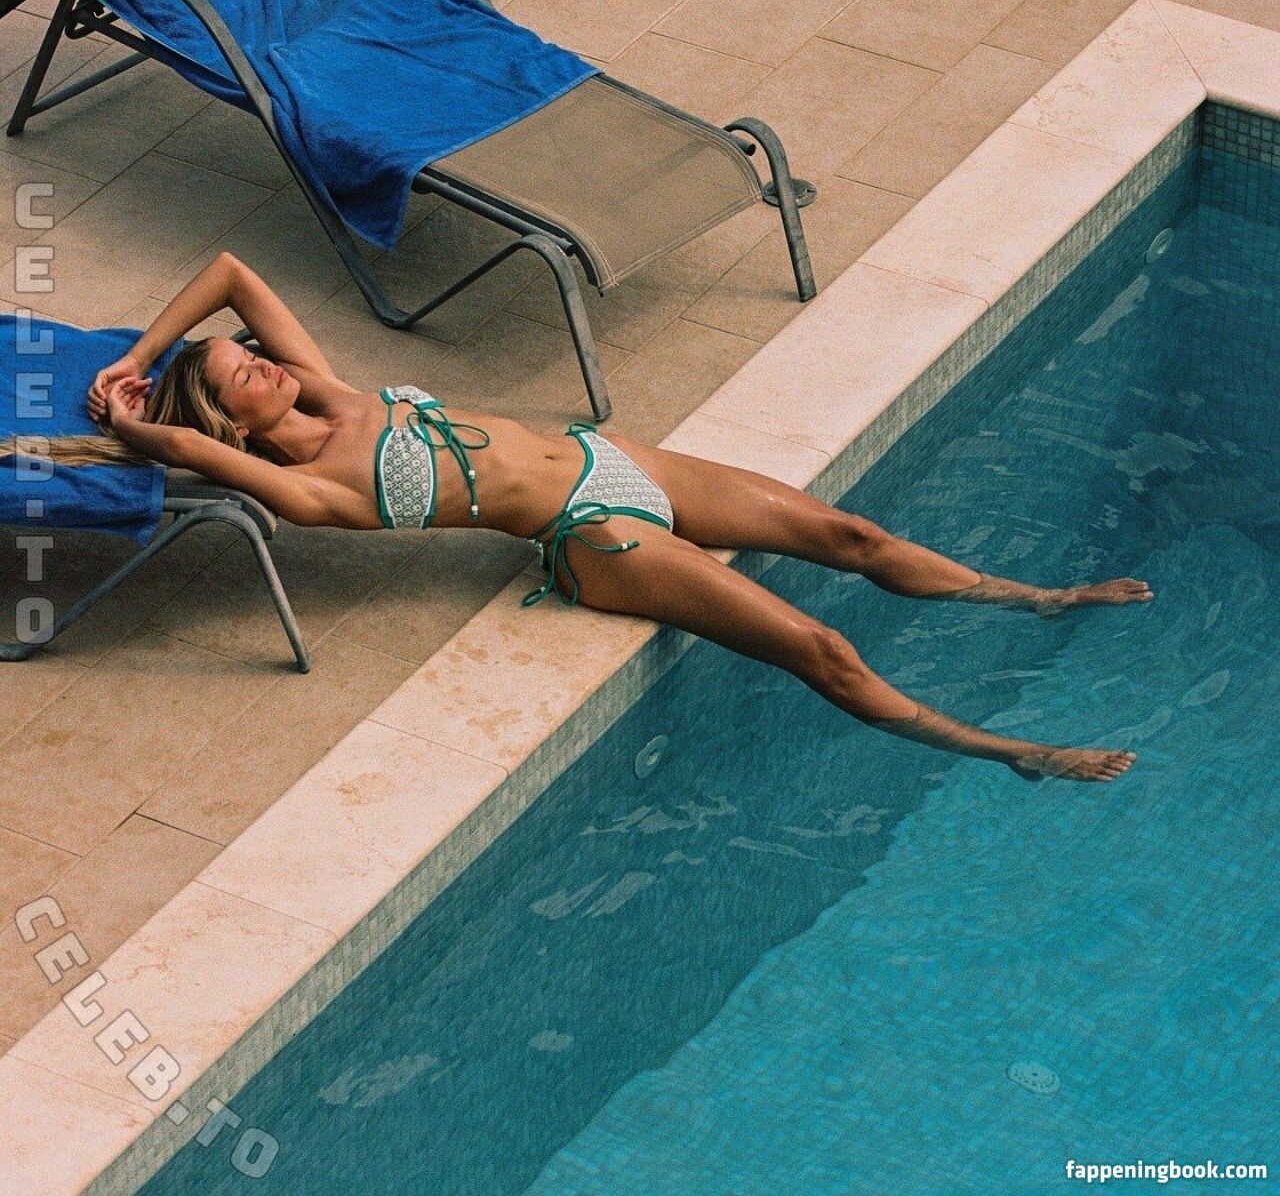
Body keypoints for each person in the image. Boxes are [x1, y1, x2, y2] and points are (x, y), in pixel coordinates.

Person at [65, 253, 1149, 782]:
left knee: (851, 538)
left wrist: (141, 353)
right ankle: (1008, 751)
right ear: (233, 426)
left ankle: (1036, 599)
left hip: (609, 461)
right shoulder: (314, 489)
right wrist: (139, 415)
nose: (260, 359)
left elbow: (231, 273)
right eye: (241, 373)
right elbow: (179, 446)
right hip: (594, 540)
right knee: (819, 649)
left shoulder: (336, 393)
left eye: (249, 352)